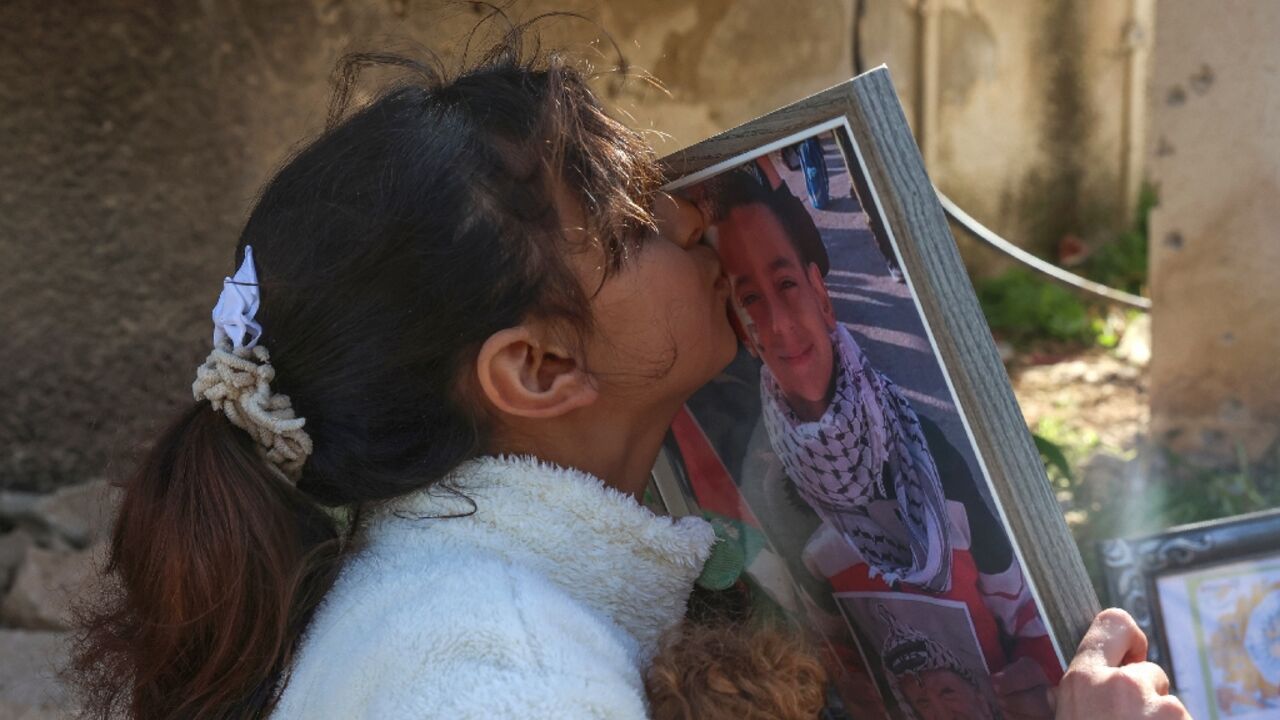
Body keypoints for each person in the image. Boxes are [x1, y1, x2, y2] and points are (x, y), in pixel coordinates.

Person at [71, 26, 1189, 720]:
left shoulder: (459, 590)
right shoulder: (501, 673)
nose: (688, 215)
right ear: (538, 367)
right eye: (626, 221)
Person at [710, 168, 1059, 712]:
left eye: (785, 286)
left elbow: (1032, 614)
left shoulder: (934, 448)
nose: (777, 325)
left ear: (822, 297)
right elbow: (828, 644)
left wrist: (1039, 680)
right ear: (740, 329)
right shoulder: (768, 484)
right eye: (751, 300)